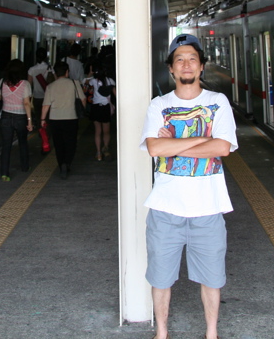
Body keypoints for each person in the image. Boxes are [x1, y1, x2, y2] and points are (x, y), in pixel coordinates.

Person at [140, 34, 238, 339]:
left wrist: (174, 145)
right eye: (179, 59)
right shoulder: (159, 105)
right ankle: (162, 333)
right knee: (160, 278)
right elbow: (155, 149)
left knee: (212, 278)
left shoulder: (217, 102)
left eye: (192, 59)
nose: (186, 64)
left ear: (201, 67)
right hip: (165, 209)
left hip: (208, 209)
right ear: (171, 68)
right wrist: (202, 139)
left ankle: (211, 333)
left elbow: (222, 148)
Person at [41, 61, 85, 179]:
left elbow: (46, 105)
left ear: (55, 73)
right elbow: (83, 100)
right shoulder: (75, 83)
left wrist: (42, 119)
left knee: (58, 143)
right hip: (71, 117)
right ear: (67, 72)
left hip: (55, 119)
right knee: (71, 143)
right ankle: (67, 162)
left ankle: (61, 165)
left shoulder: (50, 87)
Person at [0, 59, 34, 181]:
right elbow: (26, 103)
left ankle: (4, 173)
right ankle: (24, 166)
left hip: (6, 116)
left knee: (6, 145)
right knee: (23, 142)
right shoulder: (25, 84)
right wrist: (29, 121)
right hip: (21, 117)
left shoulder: (2, 82)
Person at [87, 62, 116, 161]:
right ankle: (106, 149)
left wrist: (90, 74)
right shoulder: (110, 81)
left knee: (97, 131)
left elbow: (85, 83)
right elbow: (115, 94)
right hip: (105, 108)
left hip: (95, 108)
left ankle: (98, 153)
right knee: (106, 131)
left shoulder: (93, 81)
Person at [27, 47, 55, 126]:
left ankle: (41, 131)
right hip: (48, 97)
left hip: (37, 97)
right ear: (46, 57)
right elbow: (56, 82)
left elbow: (29, 84)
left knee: (39, 116)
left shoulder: (31, 69)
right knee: (47, 116)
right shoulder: (50, 68)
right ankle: (47, 132)